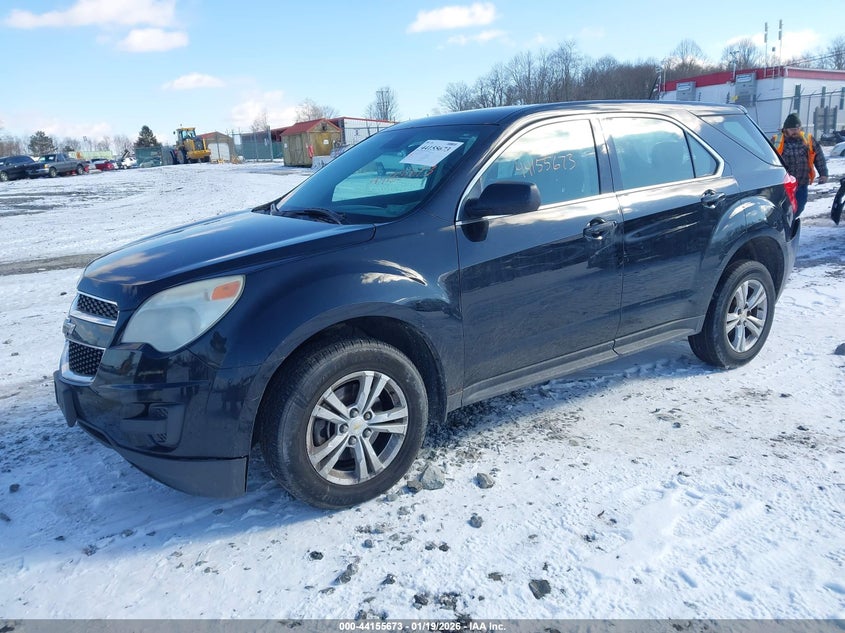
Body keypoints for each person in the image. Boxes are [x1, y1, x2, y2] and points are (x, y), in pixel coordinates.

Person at [772, 113, 828, 216]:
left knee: (800, 206)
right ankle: (789, 223)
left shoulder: (808, 139)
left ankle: (793, 221)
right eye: (792, 129)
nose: (795, 131)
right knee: (785, 209)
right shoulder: (776, 141)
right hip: (784, 185)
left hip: (802, 183)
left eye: (797, 129)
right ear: (785, 129)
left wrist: (823, 174)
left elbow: (819, 157)